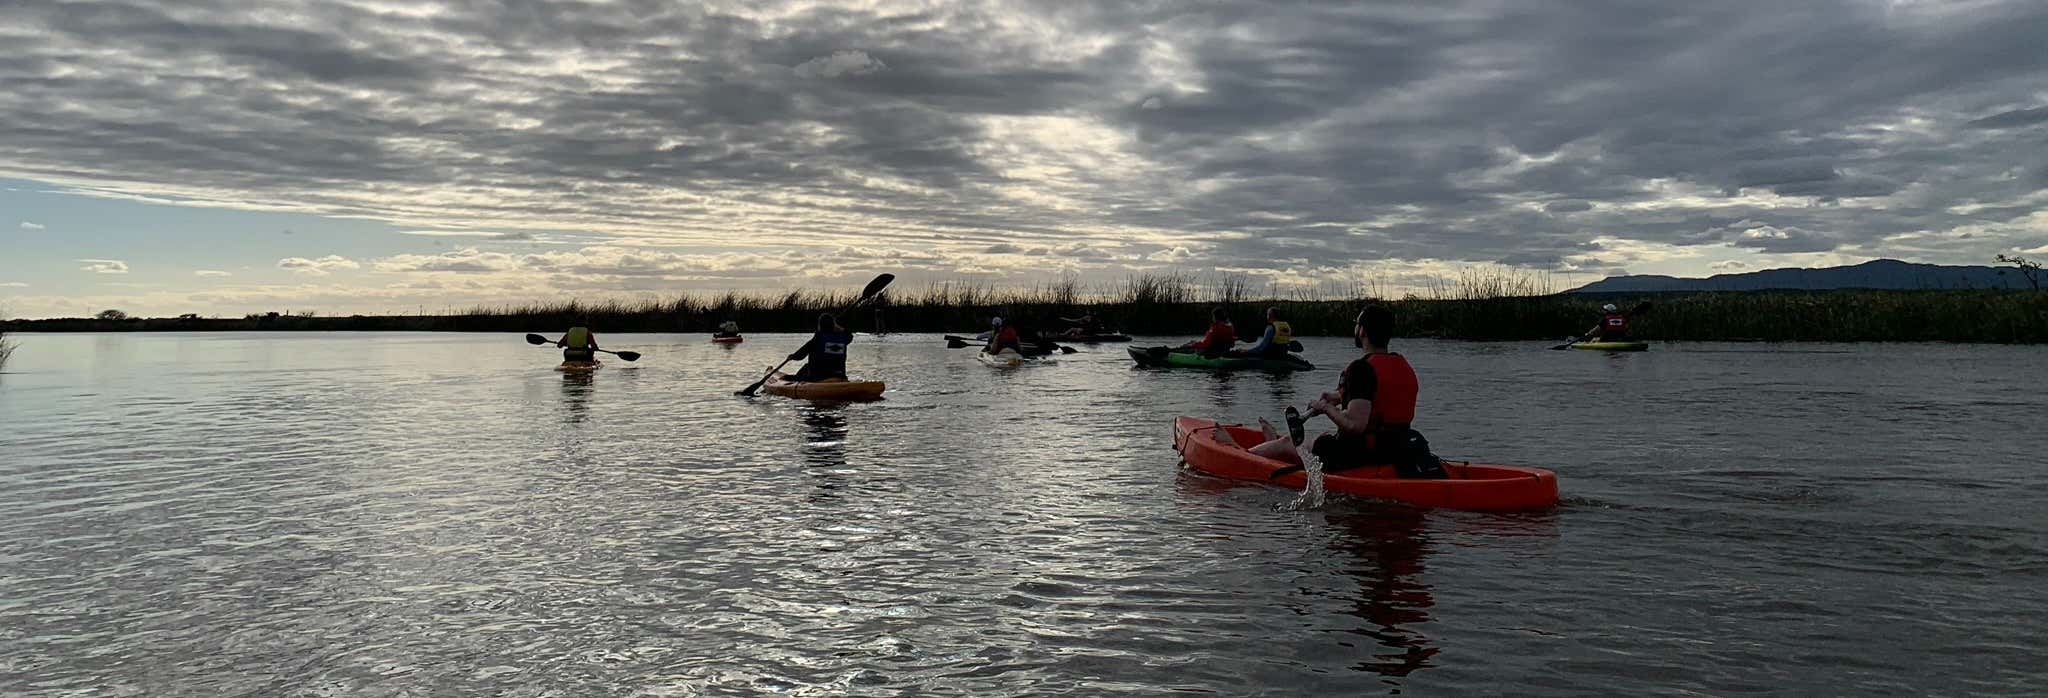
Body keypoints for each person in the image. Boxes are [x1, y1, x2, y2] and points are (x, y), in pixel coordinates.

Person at [1246, 305, 1445, 478]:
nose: (1356, 328)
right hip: (1398, 449)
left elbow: (1355, 425)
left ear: (1362, 331)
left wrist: (1325, 408)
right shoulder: (1403, 366)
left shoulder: (1360, 369)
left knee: (1288, 442)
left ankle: (1243, 454)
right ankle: (1272, 443)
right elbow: (1379, 397)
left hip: (1361, 454)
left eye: (1357, 324)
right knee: (1317, 439)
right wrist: (1339, 397)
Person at [788, 313, 853, 381]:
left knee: (806, 367)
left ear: (820, 325)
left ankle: (794, 381)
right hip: (839, 375)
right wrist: (837, 326)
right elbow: (849, 335)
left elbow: (801, 354)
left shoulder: (818, 338)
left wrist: (792, 356)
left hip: (818, 377)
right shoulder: (844, 338)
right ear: (834, 325)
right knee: (806, 367)